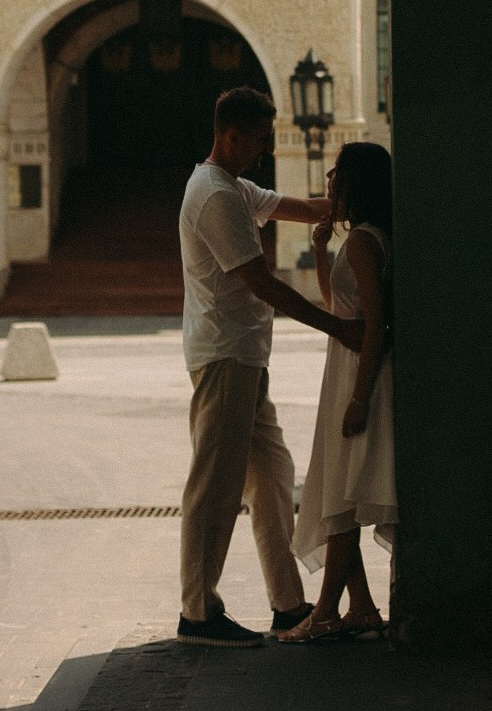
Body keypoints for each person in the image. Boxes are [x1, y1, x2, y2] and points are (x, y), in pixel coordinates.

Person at [177, 86, 364, 649]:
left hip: (245, 358)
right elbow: (260, 282)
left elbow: (300, 208)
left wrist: (364, 203)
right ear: (230, 134)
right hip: (226, 356)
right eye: (259, 140)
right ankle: (197, 614)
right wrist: (339, 328)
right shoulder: (214, 194)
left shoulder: (233, 186)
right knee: (214, 487)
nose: (263, 150)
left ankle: (287, 605)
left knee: (273, 479)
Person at [279, 141, 397, 643]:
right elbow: (337, 305)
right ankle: (362, 606)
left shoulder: (365, 243)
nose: (329, 180)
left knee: (341, 498)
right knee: (336, 488)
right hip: (344, 370)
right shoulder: (359, 242)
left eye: (337, 174)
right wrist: (323, 252)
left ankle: (325, 613)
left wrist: (358, 399)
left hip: (357, 374)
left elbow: (374, 325)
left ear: (355, 184)